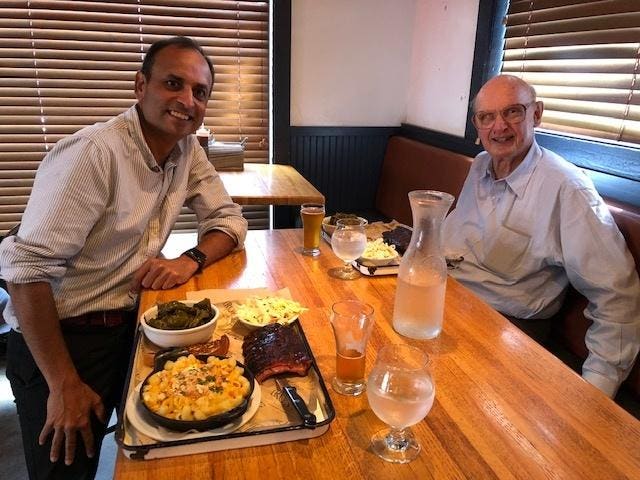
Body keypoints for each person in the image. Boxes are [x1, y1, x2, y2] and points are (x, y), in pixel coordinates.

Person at [0, 36, 247, 479]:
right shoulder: (94, 153)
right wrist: (63, 384)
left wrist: (190, 258)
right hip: (63, 341)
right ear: (140, 85)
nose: (187, 101)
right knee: (66, 470)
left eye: (200, 91)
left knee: (159, 455)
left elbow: (228, 219)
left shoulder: (187, 149)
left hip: (132, 327)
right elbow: (24, 271)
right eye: (173, 83)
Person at [443, 74, 640, 398]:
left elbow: (618, 297)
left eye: (513, 112)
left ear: (536, 114)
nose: (499, 126)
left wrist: (594, 396)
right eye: (486, 117)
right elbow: (456, 240)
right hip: (448, 299)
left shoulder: (568, 189)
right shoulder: (481, 165)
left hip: (505, 328)